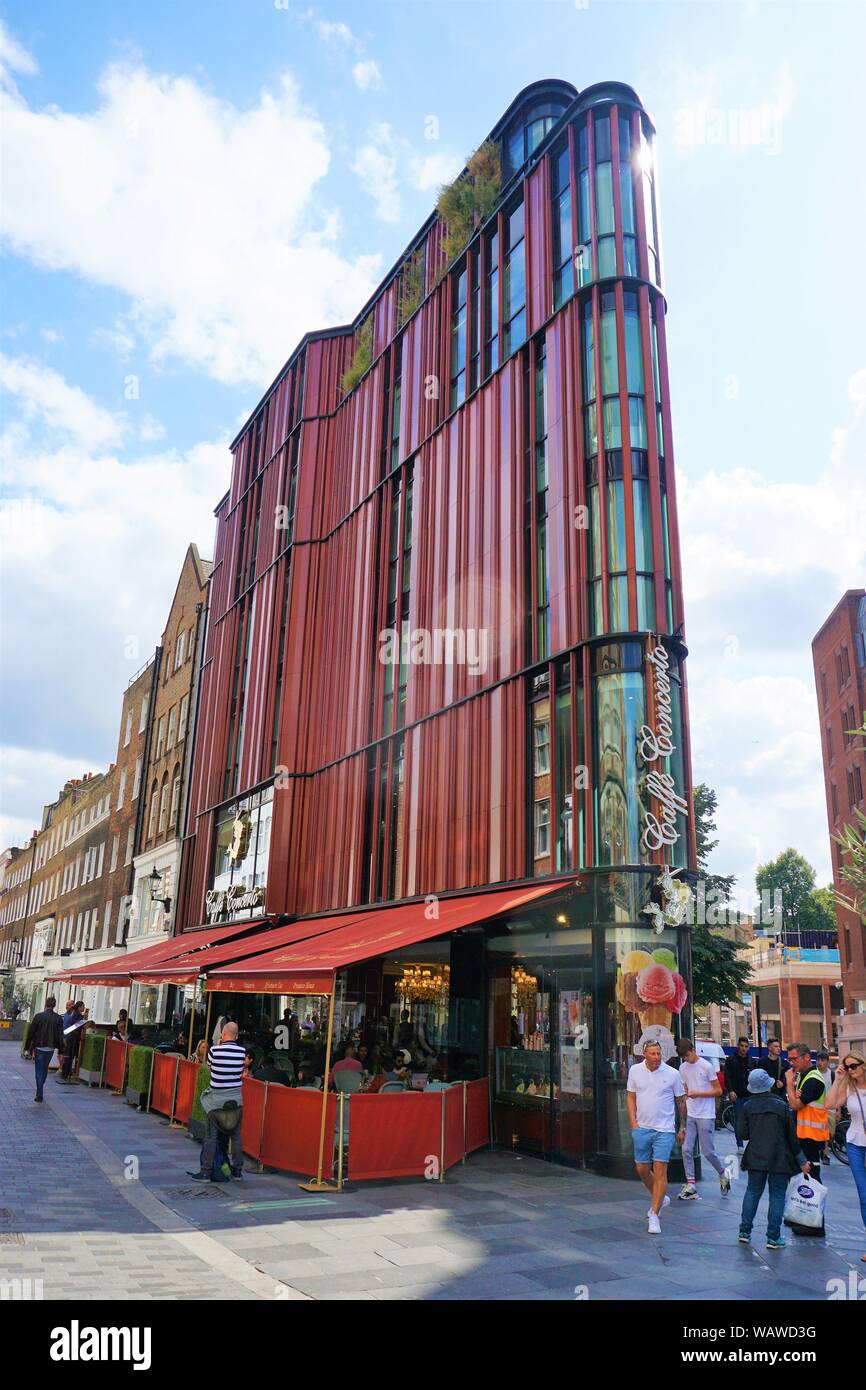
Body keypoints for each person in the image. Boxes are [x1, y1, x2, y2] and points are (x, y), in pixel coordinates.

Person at [736, 1068, 811, 1250]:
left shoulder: (747, 1107)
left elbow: (742, 1134)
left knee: (752, 1191)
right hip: (779, 1157)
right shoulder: (781, 1106)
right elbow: (791, 1138)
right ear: (769, 1086)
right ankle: (773, 1237)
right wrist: (801, 1160)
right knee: (777, 1196)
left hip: (755, 1156)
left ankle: (744, 1231)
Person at [626, 1040, 687, 1234]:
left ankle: (654, 1214)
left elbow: (681, 1102)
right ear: (645, 1054)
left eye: (658, 1053)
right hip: (642, 1127)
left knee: (660, 1169)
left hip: (664, 1129)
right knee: (642, 1168)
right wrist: (634, 1124)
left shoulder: (672, 1074)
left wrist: (682, 1126)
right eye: (652, 1054)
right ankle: (659, 1197)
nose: (656, 1057)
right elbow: (630, 1096)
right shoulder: (635, 1071)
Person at [188, 1022, 246, 1182]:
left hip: (216, 1102)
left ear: (223, 1034)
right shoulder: (242, 1052)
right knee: (236, 1136)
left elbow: (211, 1068)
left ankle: (205, 1172)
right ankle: (237, 1171)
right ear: (236, 1035)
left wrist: (218, 1046)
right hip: (236, 1101)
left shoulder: (214, 1050)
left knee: (211, 1136)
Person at [675, 1038, 730, 1200]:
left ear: (693, 1050)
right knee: (686, 1149)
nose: (686, 1059)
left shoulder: (706, 1066)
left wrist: (698, 1094)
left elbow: (718, 1090)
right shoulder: (683, 1068)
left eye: (687, 1055)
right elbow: (685, 1091)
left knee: (708, 1152)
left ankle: (722, 1172)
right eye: (683, 1057)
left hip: (706, 1114)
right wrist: (682, 1124)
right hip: (692, 1113)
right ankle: (691, 1184)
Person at [785, 1042, 828, 1236]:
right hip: (803, 1134)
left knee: (812, 1178)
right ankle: (803, 1217)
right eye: (790, 1059)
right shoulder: (803, 1076)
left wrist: (788, 1084)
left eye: (793, 1058)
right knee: (803, 1177)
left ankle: (815, 1223)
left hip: (811, 1136)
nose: (791, 1062)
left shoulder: (813, 1079)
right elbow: (794, 1100)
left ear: (804, 1057)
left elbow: (795, 1104)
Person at [827, 1052, 866, 1262]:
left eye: (854, 1066)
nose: (851, 1070)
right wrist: (838, 1079)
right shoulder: (849, 1086)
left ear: (863, 1064)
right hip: (855, 1145)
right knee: (864, 1195)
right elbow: (829, 1104)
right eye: (847, 1067)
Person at [24, 996, 65, 1102]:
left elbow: (31, 1032)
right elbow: (60, 1035)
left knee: (39, 1070)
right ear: (54, 1005)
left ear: (45, 1004)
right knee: (44, 1068)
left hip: (39, 1046)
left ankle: (39, 1093)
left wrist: (27, 1047)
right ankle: (40, 1089)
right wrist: (61, 1050)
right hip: (50, 1047)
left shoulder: (38, 1016)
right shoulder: (58, 1018)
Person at [724, 1037, 755, 1146]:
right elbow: (727, 1077)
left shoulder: (751, 1061)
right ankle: (740, 1145)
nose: (743, 1048)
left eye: (746, 1046)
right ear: (738, 1046)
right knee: (738, 1121)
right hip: (737, 1095)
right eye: (742, 1046)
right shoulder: (731, 1060)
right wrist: (731, 1091)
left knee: (752, 1121)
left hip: (750, 1095)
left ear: (748, 1048)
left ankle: (752, 1144)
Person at [59, 1001, 86, 1082]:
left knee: (67, 1055)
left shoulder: (72, 1013)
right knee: (70, 1055)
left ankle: (64, 1073)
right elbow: (77, 1026)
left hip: (68, 1036)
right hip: (74, 1038)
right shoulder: (78, 1015)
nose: (84, 1008)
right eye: (83, 1006)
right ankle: (67, 1073)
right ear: (79, 1007)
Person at [816, 1050, 835, 1164]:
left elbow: (835, 1091)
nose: (819, 1062)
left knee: (830, 1133)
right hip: (817, 1108)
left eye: (822, 1060)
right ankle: (825, 1154)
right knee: (822, 1132)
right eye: (818, 1060)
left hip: (830, 1108)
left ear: (827, 1062)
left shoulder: (832, 1074)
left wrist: (838, 1110)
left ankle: (823, 1149)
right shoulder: (814, 1073)